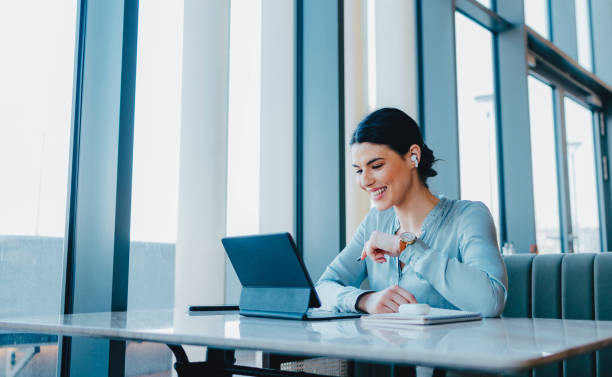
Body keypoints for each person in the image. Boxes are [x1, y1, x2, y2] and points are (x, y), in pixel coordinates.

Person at [315, 108, 508, 317]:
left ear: (413, 156)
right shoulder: (375, 221)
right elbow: (323, 287)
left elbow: (490, 302)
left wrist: (407, 246)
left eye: (376, 165)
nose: (365, 181)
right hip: (384, 349)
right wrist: (365, 300)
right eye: (359, 170)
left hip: (453, 348)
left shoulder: (468, 217)